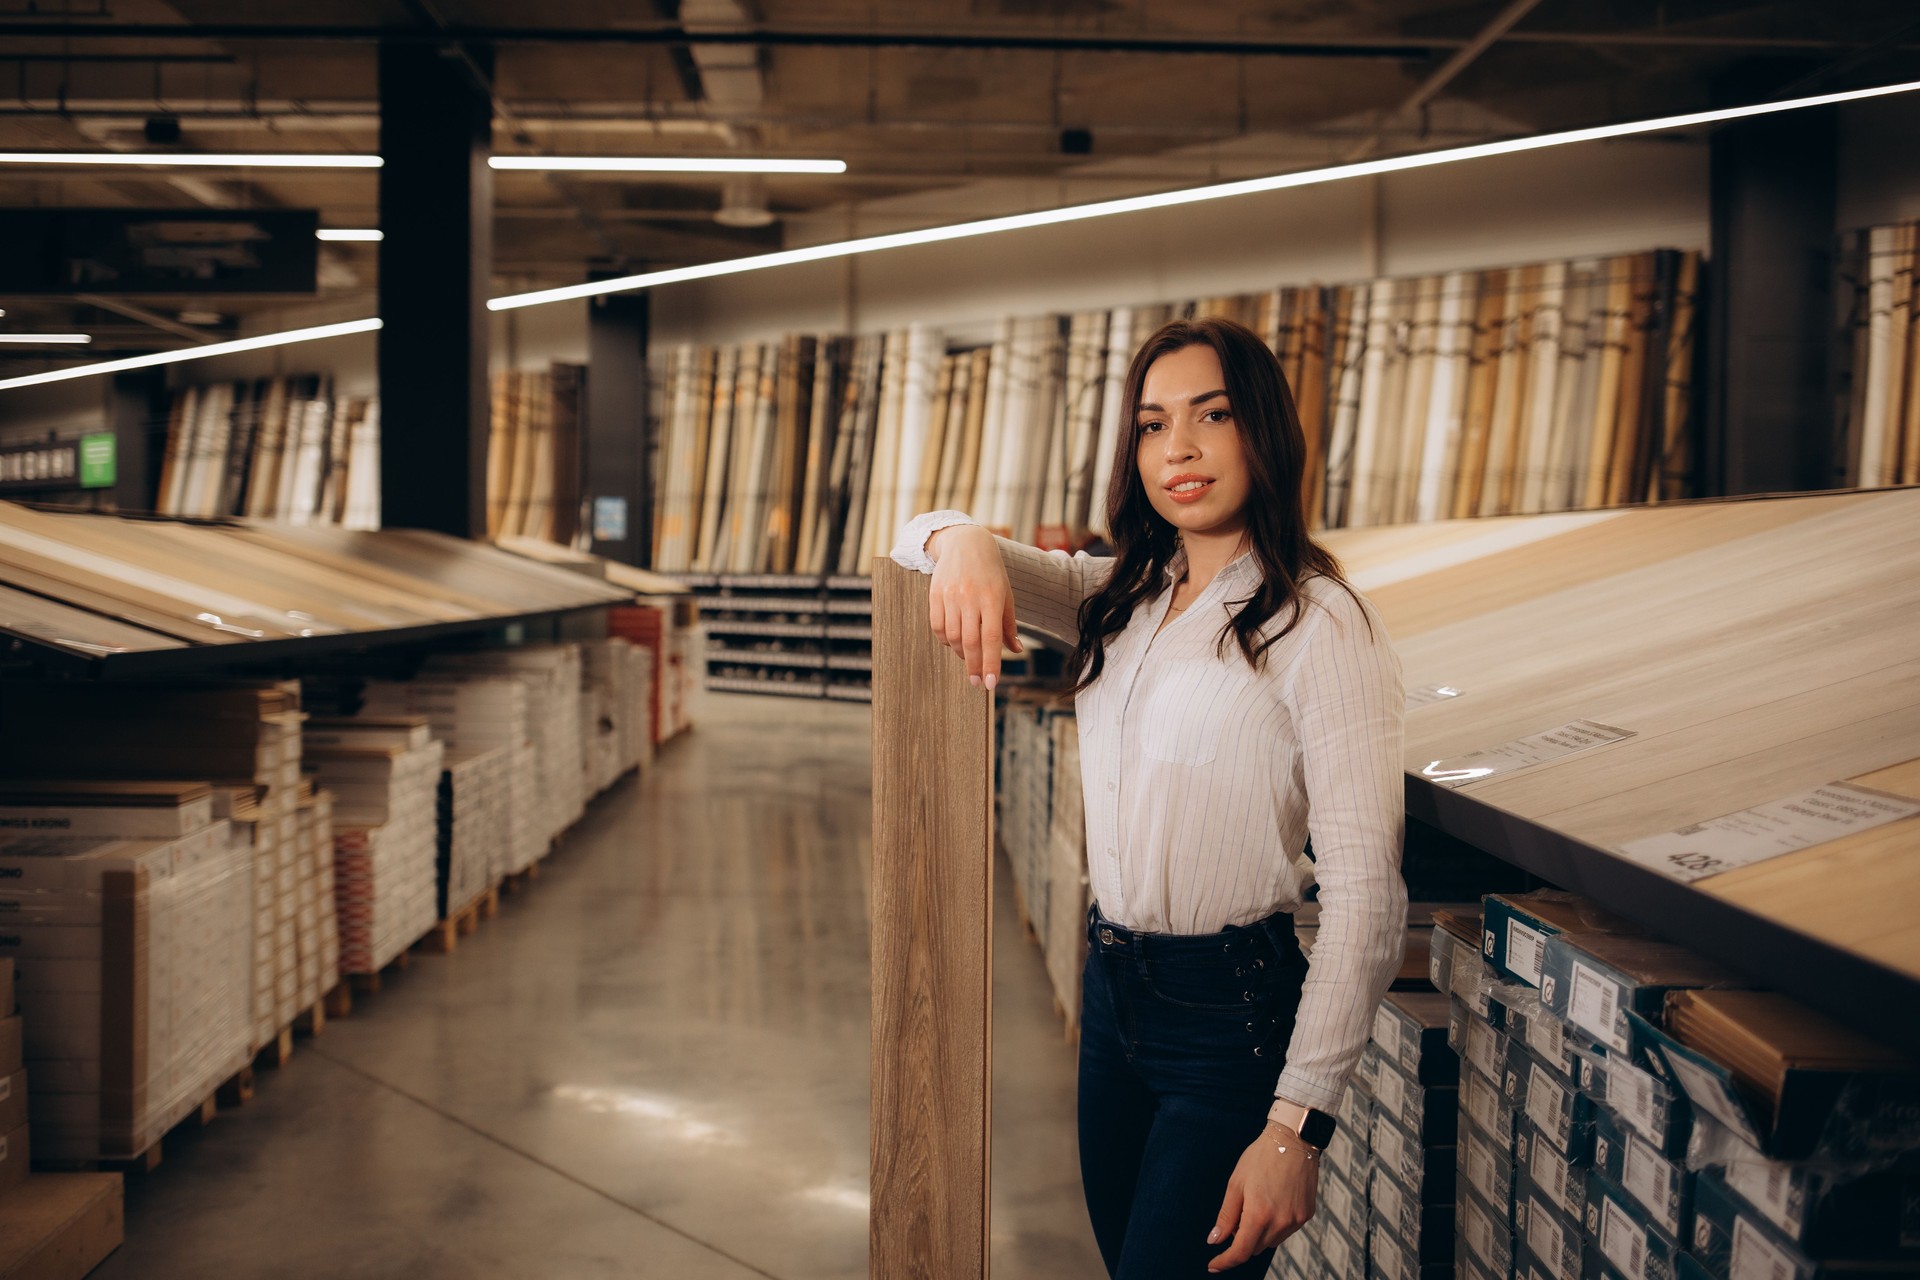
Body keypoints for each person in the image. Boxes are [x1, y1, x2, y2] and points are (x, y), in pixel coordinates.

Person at [889, 316, 1407, 1279]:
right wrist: (962, 538)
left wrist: (1299, 1124)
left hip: (1229, 1019)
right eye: (1153, 424)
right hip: (1113, 998)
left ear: (1263, 428)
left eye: (1212, 415)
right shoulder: (1117, 598)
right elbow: (912, 540)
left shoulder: (1320, 623)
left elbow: (1368, 897)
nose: (1180, 449)